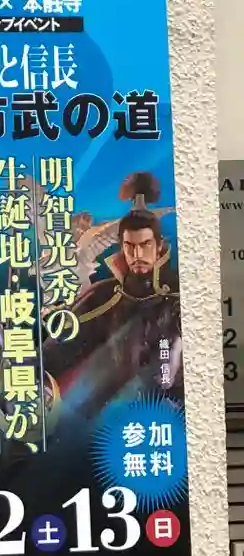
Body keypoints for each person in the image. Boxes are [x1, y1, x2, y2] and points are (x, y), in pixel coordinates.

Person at [43, 172, 183, 416]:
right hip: (108, 416)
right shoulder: (104, 296)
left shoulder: (179, 296)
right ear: (122, 247)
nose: (137, 254)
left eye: (145, 245)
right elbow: (59, 349)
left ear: (159, 245)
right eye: (130, 246)